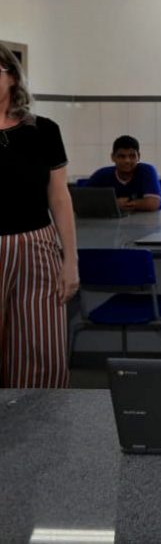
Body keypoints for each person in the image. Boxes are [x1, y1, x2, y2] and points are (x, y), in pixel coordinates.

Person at [0, 43, 77, 387]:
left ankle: (43, 432)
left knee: (42, 350)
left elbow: (59, 198)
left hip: (37, 247)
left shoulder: (43, 130)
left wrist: (70, 261)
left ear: (13, 77)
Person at [87, 134, 161, 212]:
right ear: (112, 157)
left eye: (132, 156)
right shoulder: (102, 174)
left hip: (152, 221)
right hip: (114, 222)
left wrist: (114, 204)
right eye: (121, 156)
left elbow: (152, 204)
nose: (127, 161)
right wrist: (116, 204)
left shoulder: (147, 171)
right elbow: (81, 200)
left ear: (138, 156)